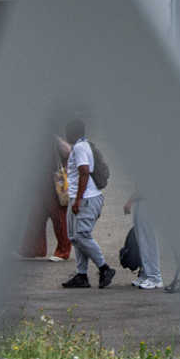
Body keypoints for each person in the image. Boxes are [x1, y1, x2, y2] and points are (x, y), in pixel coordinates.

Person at [60, 120, 115, 289]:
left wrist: (78, 200)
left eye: (67, 131)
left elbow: (84, 172)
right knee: (75, 237)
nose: (65, 134)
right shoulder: (81, 146)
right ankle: (82, 275)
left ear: (73, 132)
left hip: (86, 198)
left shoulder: (79, 148)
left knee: (81, 235)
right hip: (81, 197)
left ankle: (105, 268)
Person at [19, 135, 71, 262]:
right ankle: (33, 249)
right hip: (40, 183)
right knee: (36, 217)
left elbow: (68, 152)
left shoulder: (54, 140)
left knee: (58, 217)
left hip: (53, 183)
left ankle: (63, 251)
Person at [124, 190, 163, 290]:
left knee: (148, 241)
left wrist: (130, 201)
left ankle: (155, 277)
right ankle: (146, 273)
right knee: (141, 241)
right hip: (142, 202)